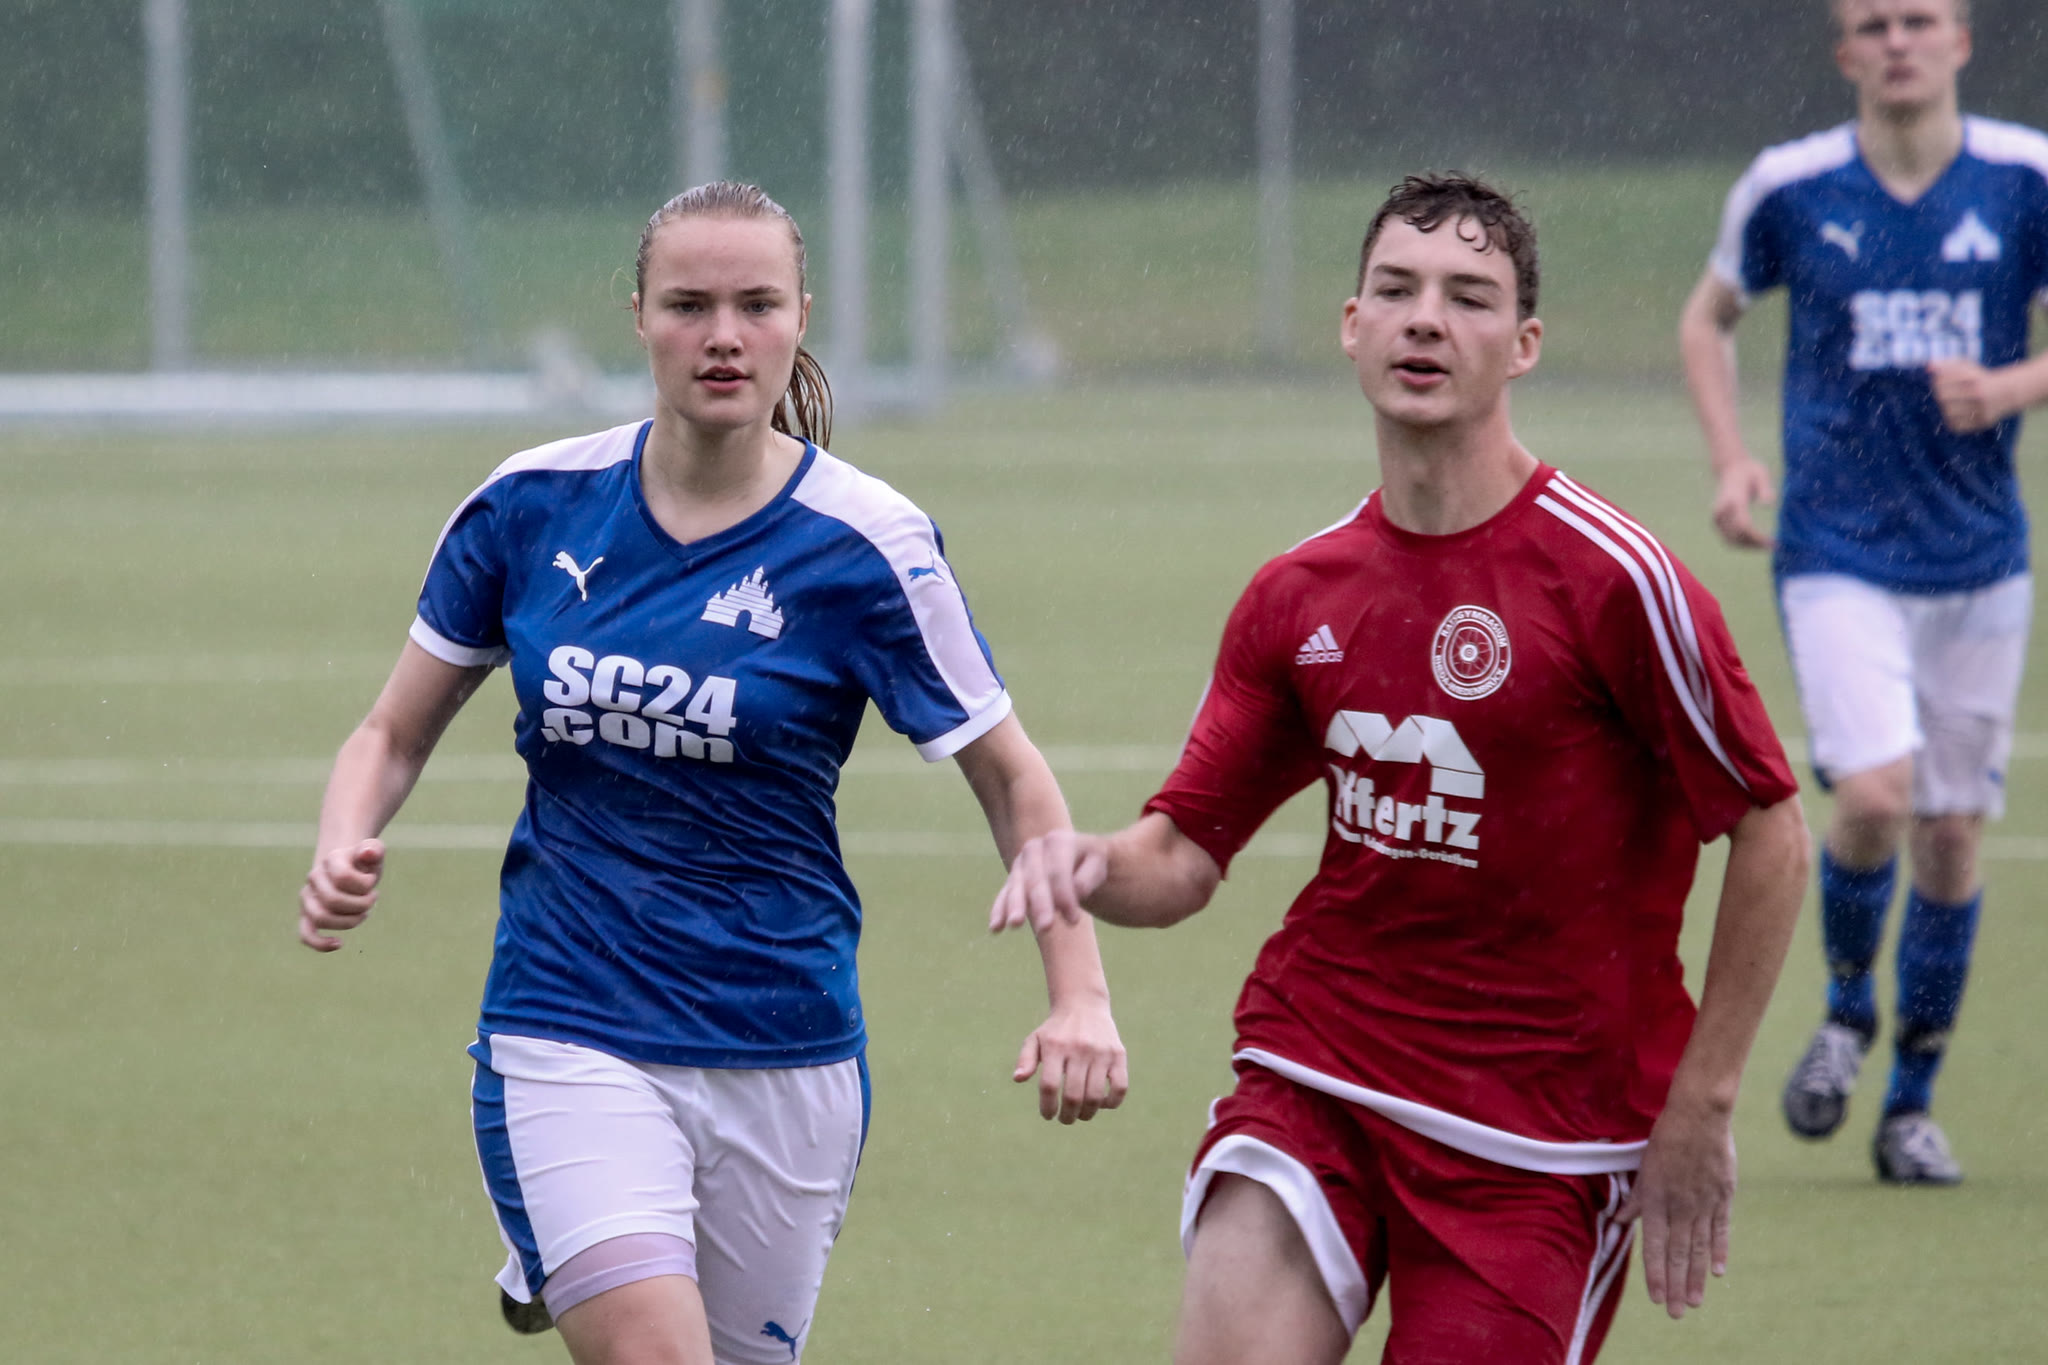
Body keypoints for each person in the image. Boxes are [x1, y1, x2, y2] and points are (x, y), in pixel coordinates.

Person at [296, 181, 1128, 1365]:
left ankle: (564, 1250)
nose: (722, 336)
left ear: (800, 319)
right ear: (638, 315)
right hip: (569, 1015)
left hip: (784, 1041)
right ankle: (574, 1230)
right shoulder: (531, 504)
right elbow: (390, 732)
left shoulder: (867, 545)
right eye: (688, 305)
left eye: (755, 305)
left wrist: (1078, 992)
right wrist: (344, 835)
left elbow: (1010, 779)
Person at [991, 173, 1811, 1365]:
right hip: (1319, 1068)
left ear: (1523, 344)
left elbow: (1769, 826)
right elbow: (1178, 857)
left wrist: (1703, 1098)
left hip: (1539, 1136)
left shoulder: (1614, 580)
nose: (1425, 319)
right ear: (1351, 324)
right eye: (1396, 290)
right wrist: (1086, 864)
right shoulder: (1297, 594)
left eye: (1467, 298)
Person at [1679, 0, 2048, 1184]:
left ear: (1960, 41)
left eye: (1917, 20)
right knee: (1876, 796)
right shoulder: (1789, 187)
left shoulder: (2022, 178)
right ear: (1843, 53)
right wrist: (1730, 458)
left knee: (1947, 834)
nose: (1896, 41)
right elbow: (1706, 319)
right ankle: (1846, 1008)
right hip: (1836, 549)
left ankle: (1909, 1104)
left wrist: (2009, 388)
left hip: (1978, 559)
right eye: (1873, 24)